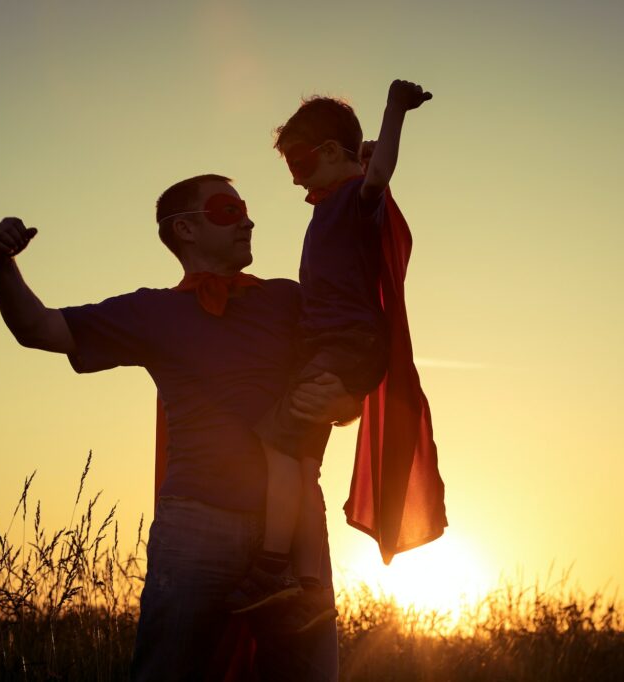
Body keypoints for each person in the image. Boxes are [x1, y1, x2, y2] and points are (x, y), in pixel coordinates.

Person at [0, 174, 359, 681]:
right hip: (195, 529)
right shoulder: (151, 311)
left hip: (294, 529)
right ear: (183, 229)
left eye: (246, 209)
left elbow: (348, 371)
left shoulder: (291, 300)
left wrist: (344, 400)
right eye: (228, 210)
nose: (248, 220)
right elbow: (38, 328)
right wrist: (1, 264)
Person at [227, 80, 438, 630]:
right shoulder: (330, 205)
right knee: (298, 457)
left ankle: (274, 568)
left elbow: (378, 175)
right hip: (331, 349)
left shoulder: (354, 199)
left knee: (276, 439)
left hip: (347, 347)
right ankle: (307, 582)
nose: (295, 177)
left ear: (328, 152)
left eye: (298, 162)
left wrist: (393, 113)